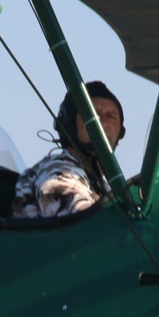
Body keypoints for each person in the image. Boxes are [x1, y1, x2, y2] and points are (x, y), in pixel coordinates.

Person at [12, 82, 125, 219]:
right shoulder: (57, 169)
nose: (104, 122)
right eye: (93, 114)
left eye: (111, 116)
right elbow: (87, 223)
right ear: (69, 122)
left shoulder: (100, 186)